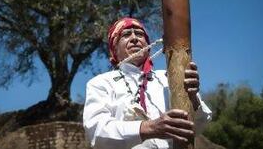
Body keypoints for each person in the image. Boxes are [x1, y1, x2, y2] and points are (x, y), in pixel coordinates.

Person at [83, 17, 212, 149]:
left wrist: (193, 98)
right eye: (126, 34)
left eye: (139, 34)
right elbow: (96, 132)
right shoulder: (101, 83)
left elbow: (199, 126)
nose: (134, 38)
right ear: (114, 48)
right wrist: (150, 127)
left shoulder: (168, 77)